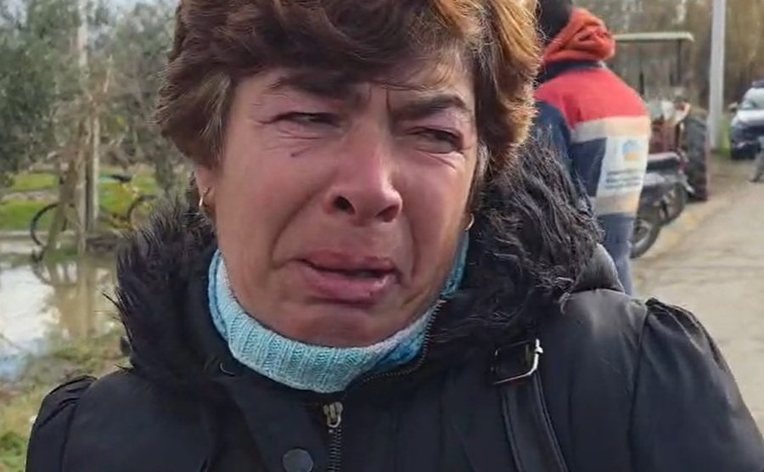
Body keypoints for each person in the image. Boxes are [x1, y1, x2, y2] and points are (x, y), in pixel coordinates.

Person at [27, 1, 764, 471]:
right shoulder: (92, 443)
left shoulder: (628, 390)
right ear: (206, 155)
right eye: (309, 117)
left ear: (479, 178)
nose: (373, 187)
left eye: (433, 133)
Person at [534, 0, 650, 295]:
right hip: (620, 281)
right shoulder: (628, 97)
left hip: (568, 289)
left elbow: (538, 208)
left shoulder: (551, 101)